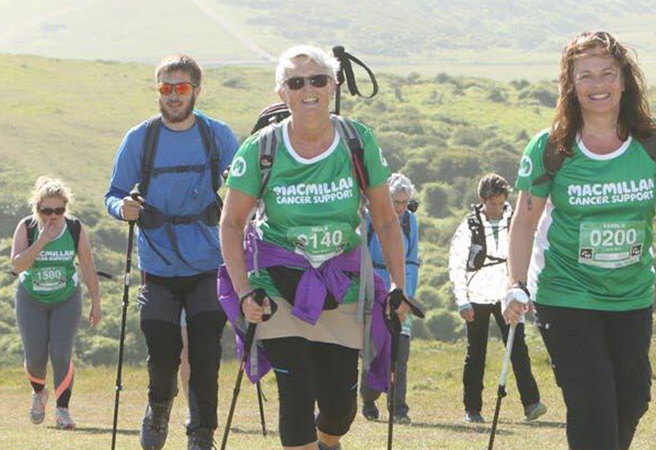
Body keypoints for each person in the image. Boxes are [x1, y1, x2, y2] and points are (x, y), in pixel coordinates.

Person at [503, 31, 656, 450]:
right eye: (585, 76)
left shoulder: (653, 139)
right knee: (593, 402)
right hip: (566, 294)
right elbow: (525, 222)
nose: (597, 85)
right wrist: (515, 283)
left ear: (624, 79)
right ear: (571, 84)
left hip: (630, 295)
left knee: (632, 399)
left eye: (607, 73)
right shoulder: (552, 147)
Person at [219, 44, 411, 450]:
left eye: (317, 79)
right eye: (296, 82)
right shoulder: (261, 149)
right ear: (282, 93)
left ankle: (329, 442)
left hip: (340, 285)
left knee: (340, 408)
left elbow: (385, 218)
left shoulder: (357, 141)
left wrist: (398, 285)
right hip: (277, 284)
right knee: (296, 393)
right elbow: (232, 223)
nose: (308, 89)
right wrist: (243, 292)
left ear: (333, 84)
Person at [104, 54, 239, 449]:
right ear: (158, 91)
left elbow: (243, 183)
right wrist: (122, 208)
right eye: (166, 88)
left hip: (208, 263)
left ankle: (201, 433)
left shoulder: (217, 135)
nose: (173, 96)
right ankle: (159, 407)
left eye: (181, 88)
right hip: (157, 264)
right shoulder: (140, 139)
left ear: (197, 90)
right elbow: (113, 194)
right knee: (161, 346)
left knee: (204, 353)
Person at [448, 173, 546, 423]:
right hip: (477, 296)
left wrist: (526, 291)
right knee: (476, 353)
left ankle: (531, 404)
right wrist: (462, 300)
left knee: (518, 349)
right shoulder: (468, 226)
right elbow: (457, 264)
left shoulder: (515, 221)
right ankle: (472, 409)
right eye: (492, 203)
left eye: (500, 203)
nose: (496, 209)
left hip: (507, 296)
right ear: (482, 199)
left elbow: (529, 255)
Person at [10, 176, 102, 430]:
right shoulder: (27, 227)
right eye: (46, 210)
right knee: (35, 358)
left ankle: (63, 410)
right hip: (31, 299)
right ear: (37, 208)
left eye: (58, 210)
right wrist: (42, 241)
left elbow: (88, 268)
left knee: (61, 353)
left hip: (66, 299)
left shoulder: (74, 228)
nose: (52, 216)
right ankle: (39, 393)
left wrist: (96, 302)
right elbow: (17, 266)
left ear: (66, 209)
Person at [360, 173, 419, 425]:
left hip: (401, 287)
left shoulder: (410, 221)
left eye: (405, 202)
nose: (401, 207)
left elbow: (413, 258)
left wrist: (406, 294)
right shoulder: (369, 218)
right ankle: (369, 397)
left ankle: (398, 408)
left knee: (399, 351)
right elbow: (361, 255)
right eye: (397, 201)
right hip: (374, 286)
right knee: (374, 348)